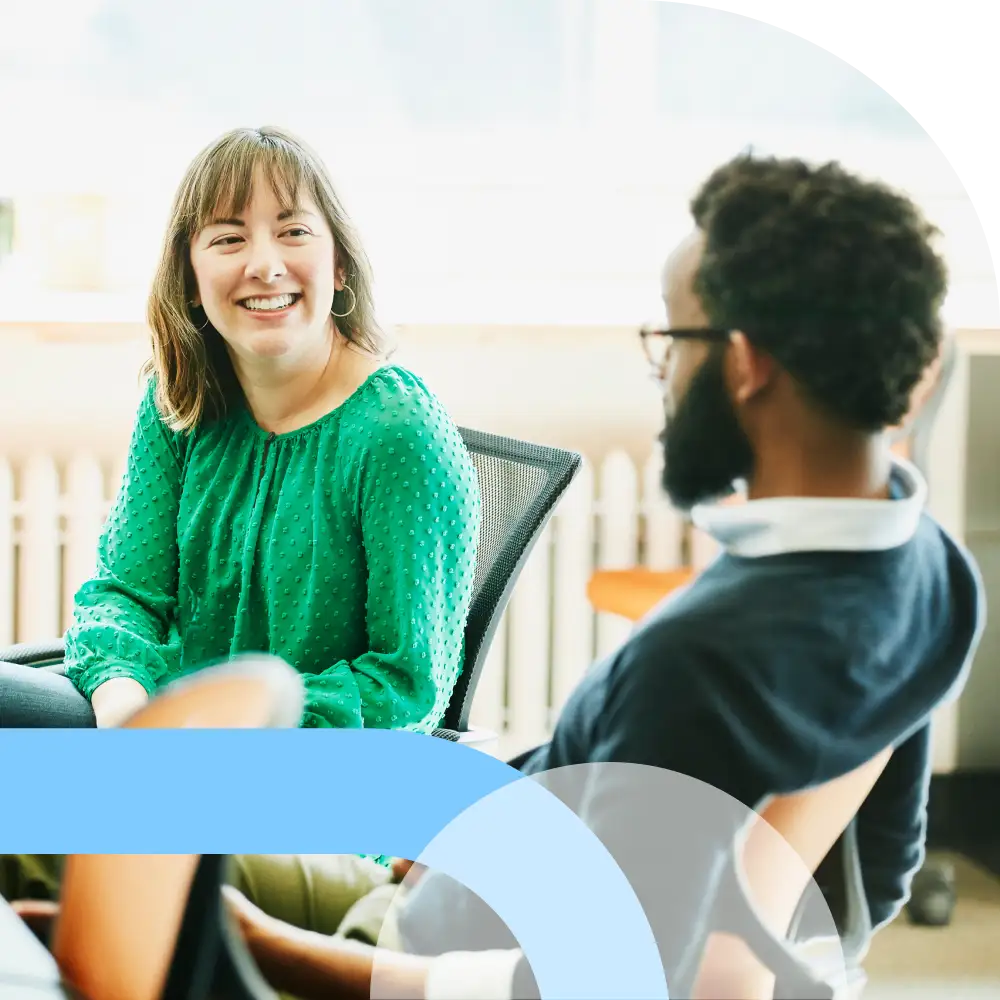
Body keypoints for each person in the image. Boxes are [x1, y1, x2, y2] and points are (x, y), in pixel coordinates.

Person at [198, 153, 983, 998]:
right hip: (460, 874)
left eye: (672, 342)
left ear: (745, 363)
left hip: (401, 952)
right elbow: (879, 876)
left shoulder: (695, 668)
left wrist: (272, 952)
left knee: (121, 874)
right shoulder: (933, 571)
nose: (664, 375)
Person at [0, 126, 481, 730]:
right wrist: (124, 708)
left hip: (298, 758)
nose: (265, 265)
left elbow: (406, 686)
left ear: (339, 265)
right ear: (190, 281)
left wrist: (224, 729)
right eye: (228, 239)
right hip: (158, 728)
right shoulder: (180, 399)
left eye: (293, 232)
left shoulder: (400, 432)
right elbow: (125, 594)